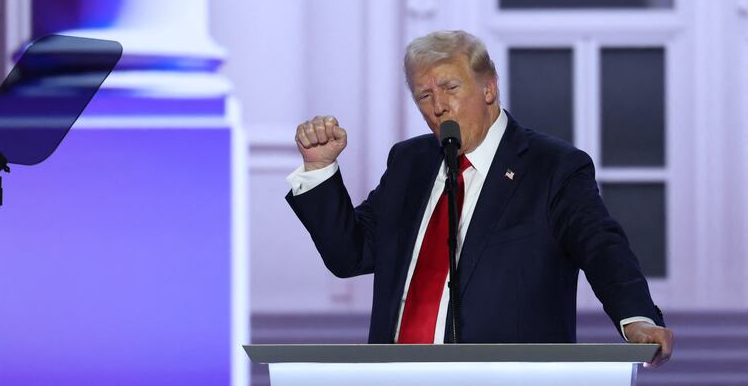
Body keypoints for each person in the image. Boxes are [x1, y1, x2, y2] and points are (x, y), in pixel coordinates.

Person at [285, 30, 673, 366]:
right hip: (397, 375)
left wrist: (636, 318)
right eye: (424, 95)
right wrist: (319, 169)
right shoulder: (410, 163)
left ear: (489, 87)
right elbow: (350, 254)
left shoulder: (552, 167)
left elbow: (602, 248)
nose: (438, 107)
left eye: (450, 88)